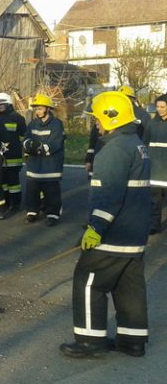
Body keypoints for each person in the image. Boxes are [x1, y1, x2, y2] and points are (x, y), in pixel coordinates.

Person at [60, 91, 150, 358]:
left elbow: (108, 195)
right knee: (128, 286)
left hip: (114, 235)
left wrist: (95, 228)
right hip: (135, 235)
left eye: (97, 118)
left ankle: (89, 341)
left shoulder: (113, 150)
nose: (95, 123)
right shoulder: (135, 144)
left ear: (111, 117)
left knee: (88, 282)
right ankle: (132, 342)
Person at [22, 94, 65, 226]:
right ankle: (32, 212)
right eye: (36, 109)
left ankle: (52, 214)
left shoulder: (57, 124)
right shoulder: (33, 124)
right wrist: (27, 145)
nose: (37, 111)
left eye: (40, 108)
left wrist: (39, 148)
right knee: (32, 191)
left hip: (51, 165)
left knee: (51, 192)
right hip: (34, 165)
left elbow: (56, 143)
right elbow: (26, 138)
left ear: (47, 109)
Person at [0, 92, 27, 213]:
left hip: (13, 155)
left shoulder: (17, 117)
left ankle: (16, 204)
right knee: (2, 182)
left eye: (2, 104)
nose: (0, 106)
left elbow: (24, 136)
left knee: (13, 182)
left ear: (9, 104)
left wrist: (16, 146)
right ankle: (6, 202)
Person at [144, 93, 167, 234]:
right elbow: (145, 142)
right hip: (155, 170)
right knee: (154, 201)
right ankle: (154, 225)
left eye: (163, 107)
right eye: (157, 106)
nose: (159, 109)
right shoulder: (152, 123)